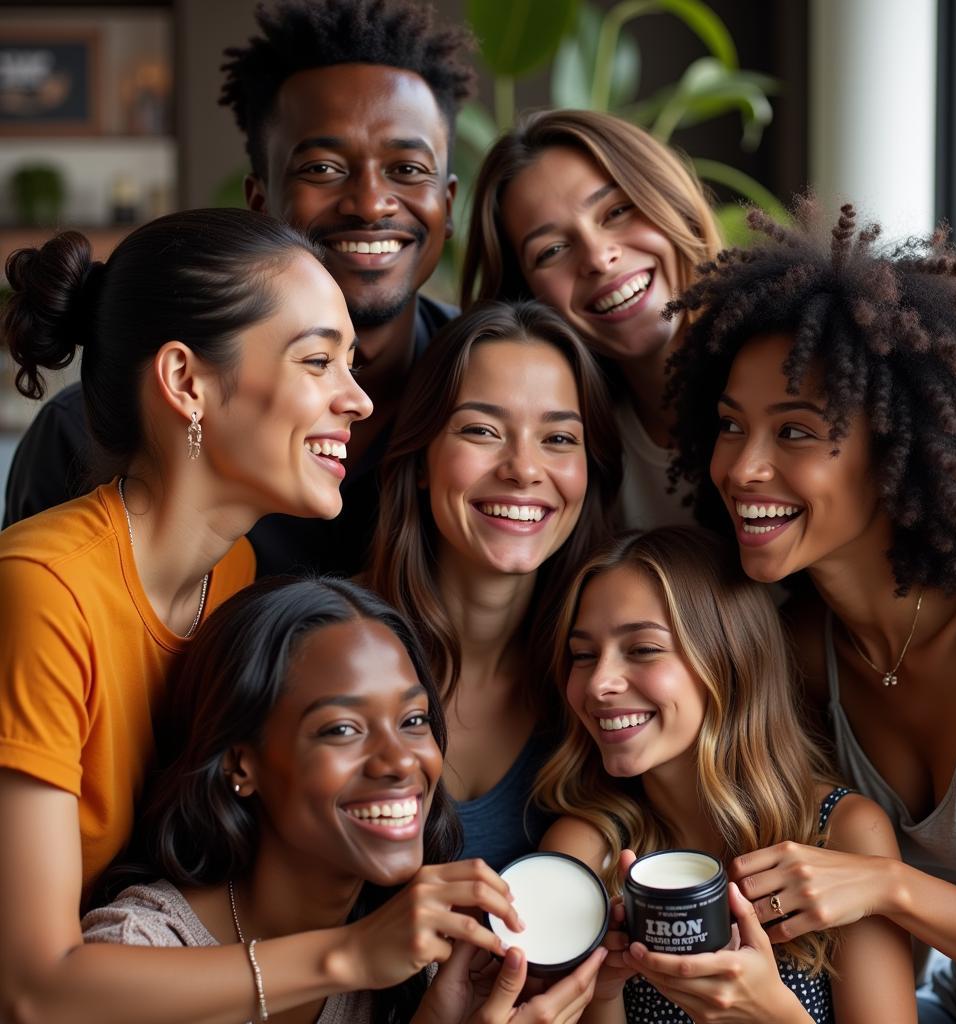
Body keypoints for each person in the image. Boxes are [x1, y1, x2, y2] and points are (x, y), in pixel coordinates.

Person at [0, 208, 375, 1020]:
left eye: (351, 362)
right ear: (185, 383)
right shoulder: (42, 590)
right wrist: (352, 957)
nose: (359, 400)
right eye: (319, 361)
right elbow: (32, 988)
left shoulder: (233, 576)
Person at [666, 200, 956, 1024]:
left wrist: (888, 886)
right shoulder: (798, 649)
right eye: (730, 426)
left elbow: (869, 893)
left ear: (900, 446)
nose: (743, 468)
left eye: (795, 432)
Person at [4, 0, 476, 578]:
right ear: (260, 202)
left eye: (407, 170)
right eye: (323, 169)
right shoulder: (89, 434)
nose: (370, 203)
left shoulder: (490, 388)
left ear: (448, 204)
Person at [81, 575, 606, 1024]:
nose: (401, 761)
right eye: (342, 728)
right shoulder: (141, 944)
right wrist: (352, 955)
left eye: (414, 721)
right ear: (241, 764)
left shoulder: (422, 965)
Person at [535, 526, 916, 1024]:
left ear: (730, 659)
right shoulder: (586, 852)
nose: (598, 683)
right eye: (583, 655)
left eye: (643, 649)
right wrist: (603, 997)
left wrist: (771, 1014)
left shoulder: (840, 832)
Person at [365, 299, 622, 868]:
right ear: (422, 458)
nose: (523, 468)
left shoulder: (612, 679)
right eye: (482, 430)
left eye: (558, 439)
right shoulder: (322, 644)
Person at [461, 109, 720, 530]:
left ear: (670, 201)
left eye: (616, 212)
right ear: (527, 298)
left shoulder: (791, 367)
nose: (598, 258)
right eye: (551, 250)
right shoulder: (563, 458)